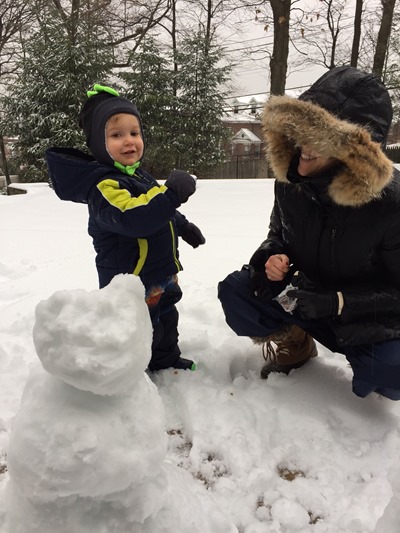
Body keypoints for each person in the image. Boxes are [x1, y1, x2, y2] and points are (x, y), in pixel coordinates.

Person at [218, 65, 400, 400]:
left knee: (393, 370)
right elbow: (278, 233)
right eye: (300, 130)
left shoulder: (391, 205)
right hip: (303, 298)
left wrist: (339, 302)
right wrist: (270, 257)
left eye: (319, 135)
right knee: (237, 292)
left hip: (362, 317)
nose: (303, 143)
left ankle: (372, 366)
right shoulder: (292, 182)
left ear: (354, 151)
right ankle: (296, 343)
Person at [46, 84, 205, 372]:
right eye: (116, 135)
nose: (129, 141)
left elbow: (156, 207)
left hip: (160, 272)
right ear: (98, 143)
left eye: (134, 132)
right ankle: (132, 374)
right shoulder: (104, 186)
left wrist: (183, 225)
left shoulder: (138, 175)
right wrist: (172, 195)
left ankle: (165, 359)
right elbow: (135, 218)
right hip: (131, 280)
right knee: (138, 327)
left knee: (167, 317)